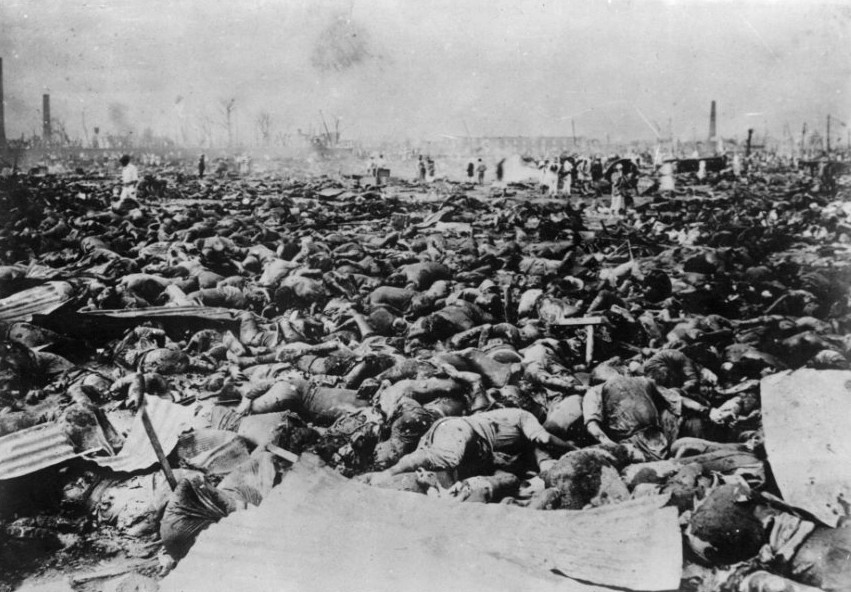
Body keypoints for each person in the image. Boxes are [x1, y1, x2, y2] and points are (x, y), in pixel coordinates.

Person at [364, 407, 574, 483]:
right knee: (441, 458)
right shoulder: (524, 416)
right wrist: (571, 449)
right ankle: (386, 474)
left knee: (435, 469)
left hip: (459, 434)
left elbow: (538, 450)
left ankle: (386, 476)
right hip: (457, 429)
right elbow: (544, 439)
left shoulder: (517, 436)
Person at [583, 375, 715, 461]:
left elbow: (676, 398)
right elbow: (592, 424)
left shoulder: (642, 381)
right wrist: (610, 444)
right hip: (633, 442)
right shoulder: (596, 391)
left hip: (653, 437)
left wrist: (705, 410)